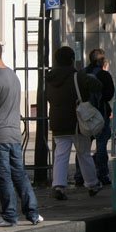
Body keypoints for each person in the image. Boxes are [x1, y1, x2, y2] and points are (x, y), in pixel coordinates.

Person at [0, 39, 42, 227]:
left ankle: (9, 216)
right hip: (14, 134)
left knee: (3, 176)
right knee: (19, 174)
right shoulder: (14, 77)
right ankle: (33, 213)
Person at [46, 46, 102, 200]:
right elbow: (98, 87)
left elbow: (48, 97)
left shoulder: (49, 78)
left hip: (58, 121)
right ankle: (92, 184)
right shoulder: (78, 76)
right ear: (72, 59)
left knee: (60, 155)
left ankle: (58, 186)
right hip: (77, 121)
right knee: (84, 153)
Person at [74, 49, 114, 187]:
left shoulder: (81, 74)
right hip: (100, 114)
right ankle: (103, 174)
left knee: (83, 147)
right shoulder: (104, 75)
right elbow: (109, 95)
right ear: (101, 61)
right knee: (101, 143)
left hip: (84, 115)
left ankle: (79, 175)